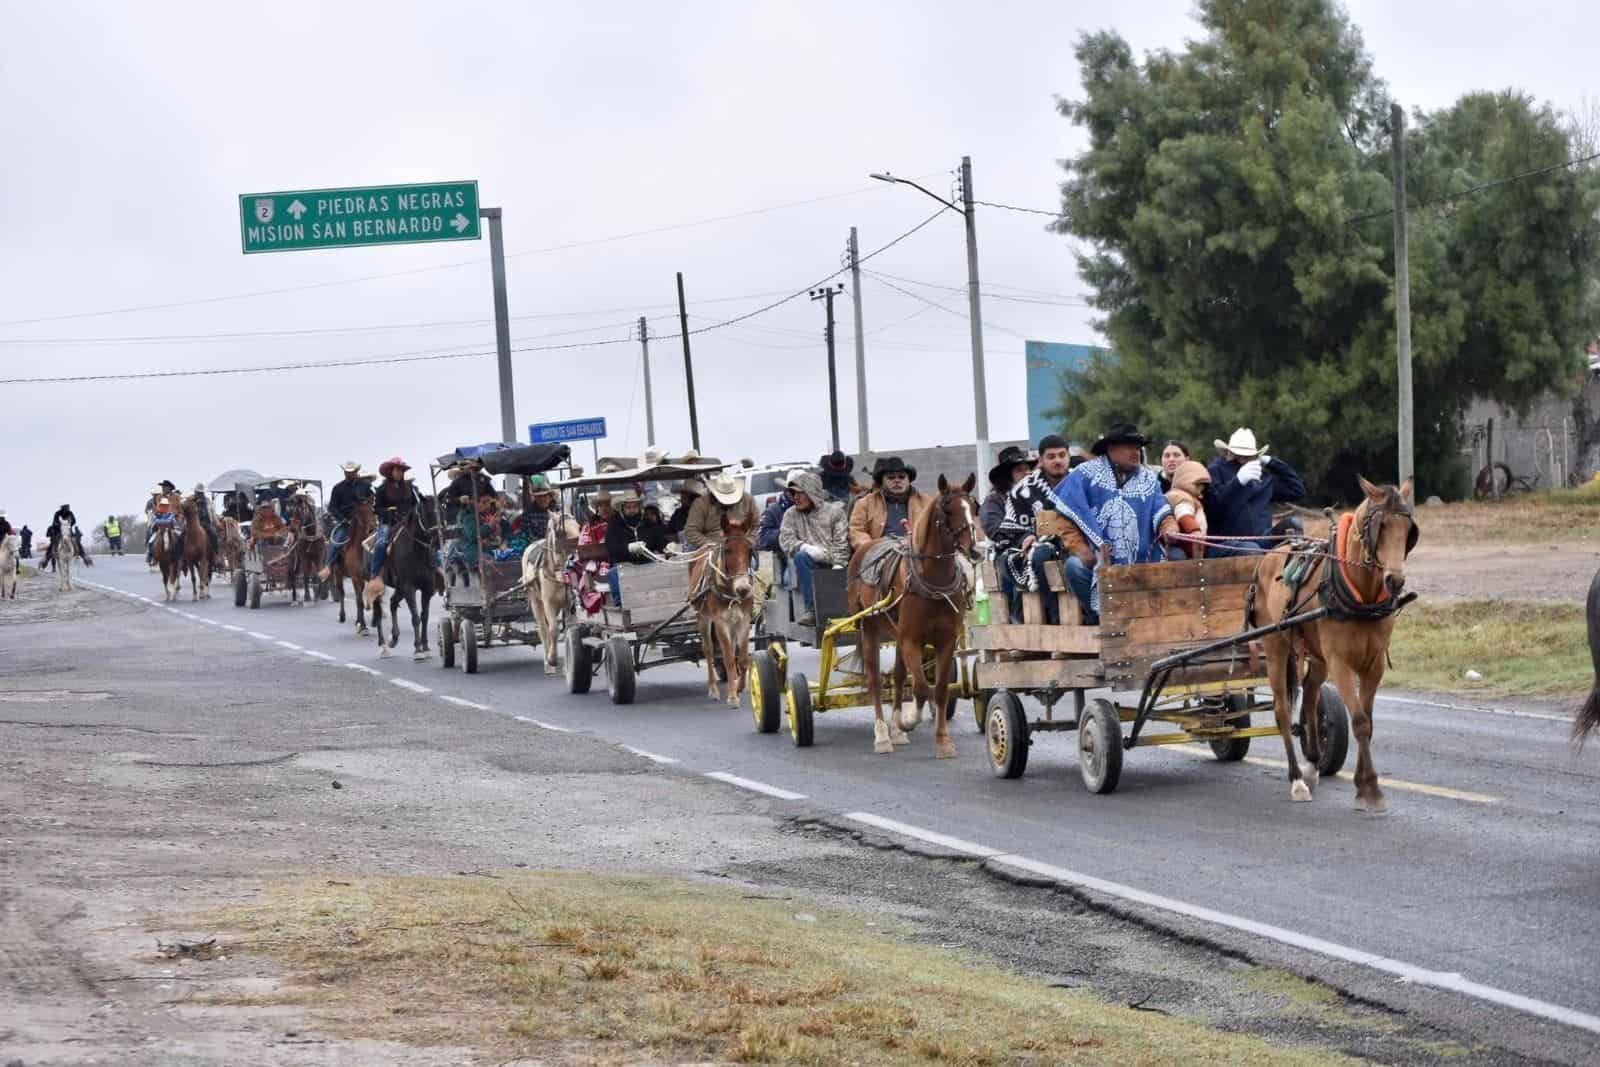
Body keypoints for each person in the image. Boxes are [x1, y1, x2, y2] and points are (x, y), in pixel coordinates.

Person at [1050, 424, 1177, 622]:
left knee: (1178, 557)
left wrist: (1169, 528)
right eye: (1129, 447)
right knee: (1074, 567)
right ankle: (1099, 619)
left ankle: (1158, 618)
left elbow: (1162, 512)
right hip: (1097, 560)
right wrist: (1081, 549)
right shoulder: (1085, 474)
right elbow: (1065, 517)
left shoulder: (1149, 479)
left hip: (1144, 560)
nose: (1136, 452)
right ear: (1111, 449)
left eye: (1138, 447)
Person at [993, 436, 1085, 624]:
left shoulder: (1084, 481)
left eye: (1061, 455)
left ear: (1069, 456)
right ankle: (1056, 619)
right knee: (1040, 555)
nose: (1057, 461)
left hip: (1082, 543)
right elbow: (1012, 528)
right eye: (1051, 457)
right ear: (1041, 460)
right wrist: (1026, 536)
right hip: (1043, 546)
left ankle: (1092, 616)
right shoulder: (1022, 490)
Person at [1205, 428, 1307, 556]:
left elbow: (1297, 490)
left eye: (1247, 455)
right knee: (1251, 549)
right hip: (1225, 543)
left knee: (1293, 523)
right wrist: (1237, 482)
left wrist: (1271, 462)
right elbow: (1213, 508)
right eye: (1239, 454)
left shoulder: (1262, 475)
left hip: (1262, 540)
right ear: (1229, 452)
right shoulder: (1215, 470)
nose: (1243, 457)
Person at [777, 470, 851, 626]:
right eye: (792, 493)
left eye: (800, 493)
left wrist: (838, 564)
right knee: (801, 557)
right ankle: (812, 610)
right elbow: (786, 539)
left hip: (835, 562)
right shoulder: (791, 514)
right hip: (808, 564)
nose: (795, 497)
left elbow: (842, 541)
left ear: (812, 492)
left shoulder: (834, 512)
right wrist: (805, 547)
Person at [848, 456, 931, 554]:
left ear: (909, 480)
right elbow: (856, 531)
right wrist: (874, 548)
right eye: (891, 477)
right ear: (882, 482)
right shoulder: (864, 503)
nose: (897, 480)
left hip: (918, 555)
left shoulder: (927, 502)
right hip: (878, 557)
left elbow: (936, 532)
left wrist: (916, 545)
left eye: (902, 477)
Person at [320, 461, 374, 578]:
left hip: (365, 520)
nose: (349, 474)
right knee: (334, 542)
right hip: (346, 522)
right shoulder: (338, 488)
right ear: (344, 472)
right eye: (347, 472)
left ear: (356, 472)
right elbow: (332, 507)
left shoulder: (366, 485)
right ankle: (328, 566)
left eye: (352, 472)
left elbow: (373, 499)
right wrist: (343, 519)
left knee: (381, 540)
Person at [684, 470, 759, 553]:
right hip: (711, 548)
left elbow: (757, 525)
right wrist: (709, 544)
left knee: (750, 563)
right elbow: (691, 531)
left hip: (742, 546)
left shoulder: (748, 500)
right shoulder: (701, 504)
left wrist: (749, 541)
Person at [369, 457, 418, 580]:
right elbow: (376, 508)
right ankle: (374, 575)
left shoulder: (408, 487)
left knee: (426, 538)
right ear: (390, 471)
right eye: (397, 470)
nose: (400, 473)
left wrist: (412, 513)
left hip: (407, 521)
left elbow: (415, 504)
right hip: (388, 523)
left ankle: (435, 568)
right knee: (380, 544)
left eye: (402, 471)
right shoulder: (381, 489)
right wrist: (387, 512)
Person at [981, 446, 1035, 539]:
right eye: (1019, 470)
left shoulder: (1038, 495)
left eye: (1027, 468)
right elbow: (995, 530)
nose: (1027, 473)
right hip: (1010, 551)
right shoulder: (994, 501)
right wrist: (1024, 538)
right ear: (1007, 477)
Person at [1164, 460, 1211, 559]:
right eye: (1199, 485)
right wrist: (1195, 530)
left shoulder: (1191, 498)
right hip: (1181, 548)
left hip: (1191, 547)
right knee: (1179, 558)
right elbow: (1183, 514)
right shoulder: (1180, 496)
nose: (1201, 488)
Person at [757, 469, 800, 567]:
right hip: (788, 560)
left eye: (802, 492)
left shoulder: (815, 509)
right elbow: (763, 539)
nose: (797, 495)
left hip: (816, 559)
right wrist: (785, 533)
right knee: (789, 579)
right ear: (786, 490)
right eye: (793, 491)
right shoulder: (773, 511)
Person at [667, 478, 704, 544]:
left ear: (691, 497)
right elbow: (669, 533)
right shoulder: (678, 513)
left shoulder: (702, 512)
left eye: (683, 495)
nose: (681, 498)